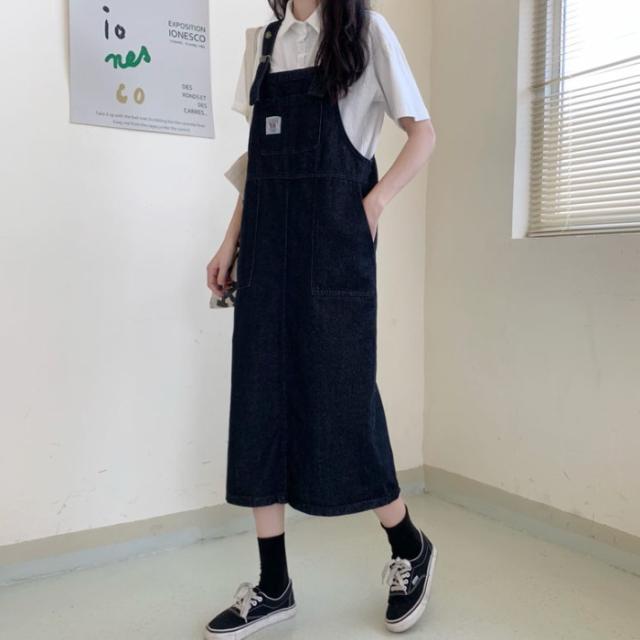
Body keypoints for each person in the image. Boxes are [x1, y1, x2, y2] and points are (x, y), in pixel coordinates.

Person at [205, 1, 436, 637]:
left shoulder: (365, 30)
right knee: (260, 405)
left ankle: (410, 546)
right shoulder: (262, 43)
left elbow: (423, 134)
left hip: (335, 249)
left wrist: (374, 205)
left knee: (342, 401)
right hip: (266, 254)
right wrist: (230, 241)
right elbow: (258, 162)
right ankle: (273, 585)